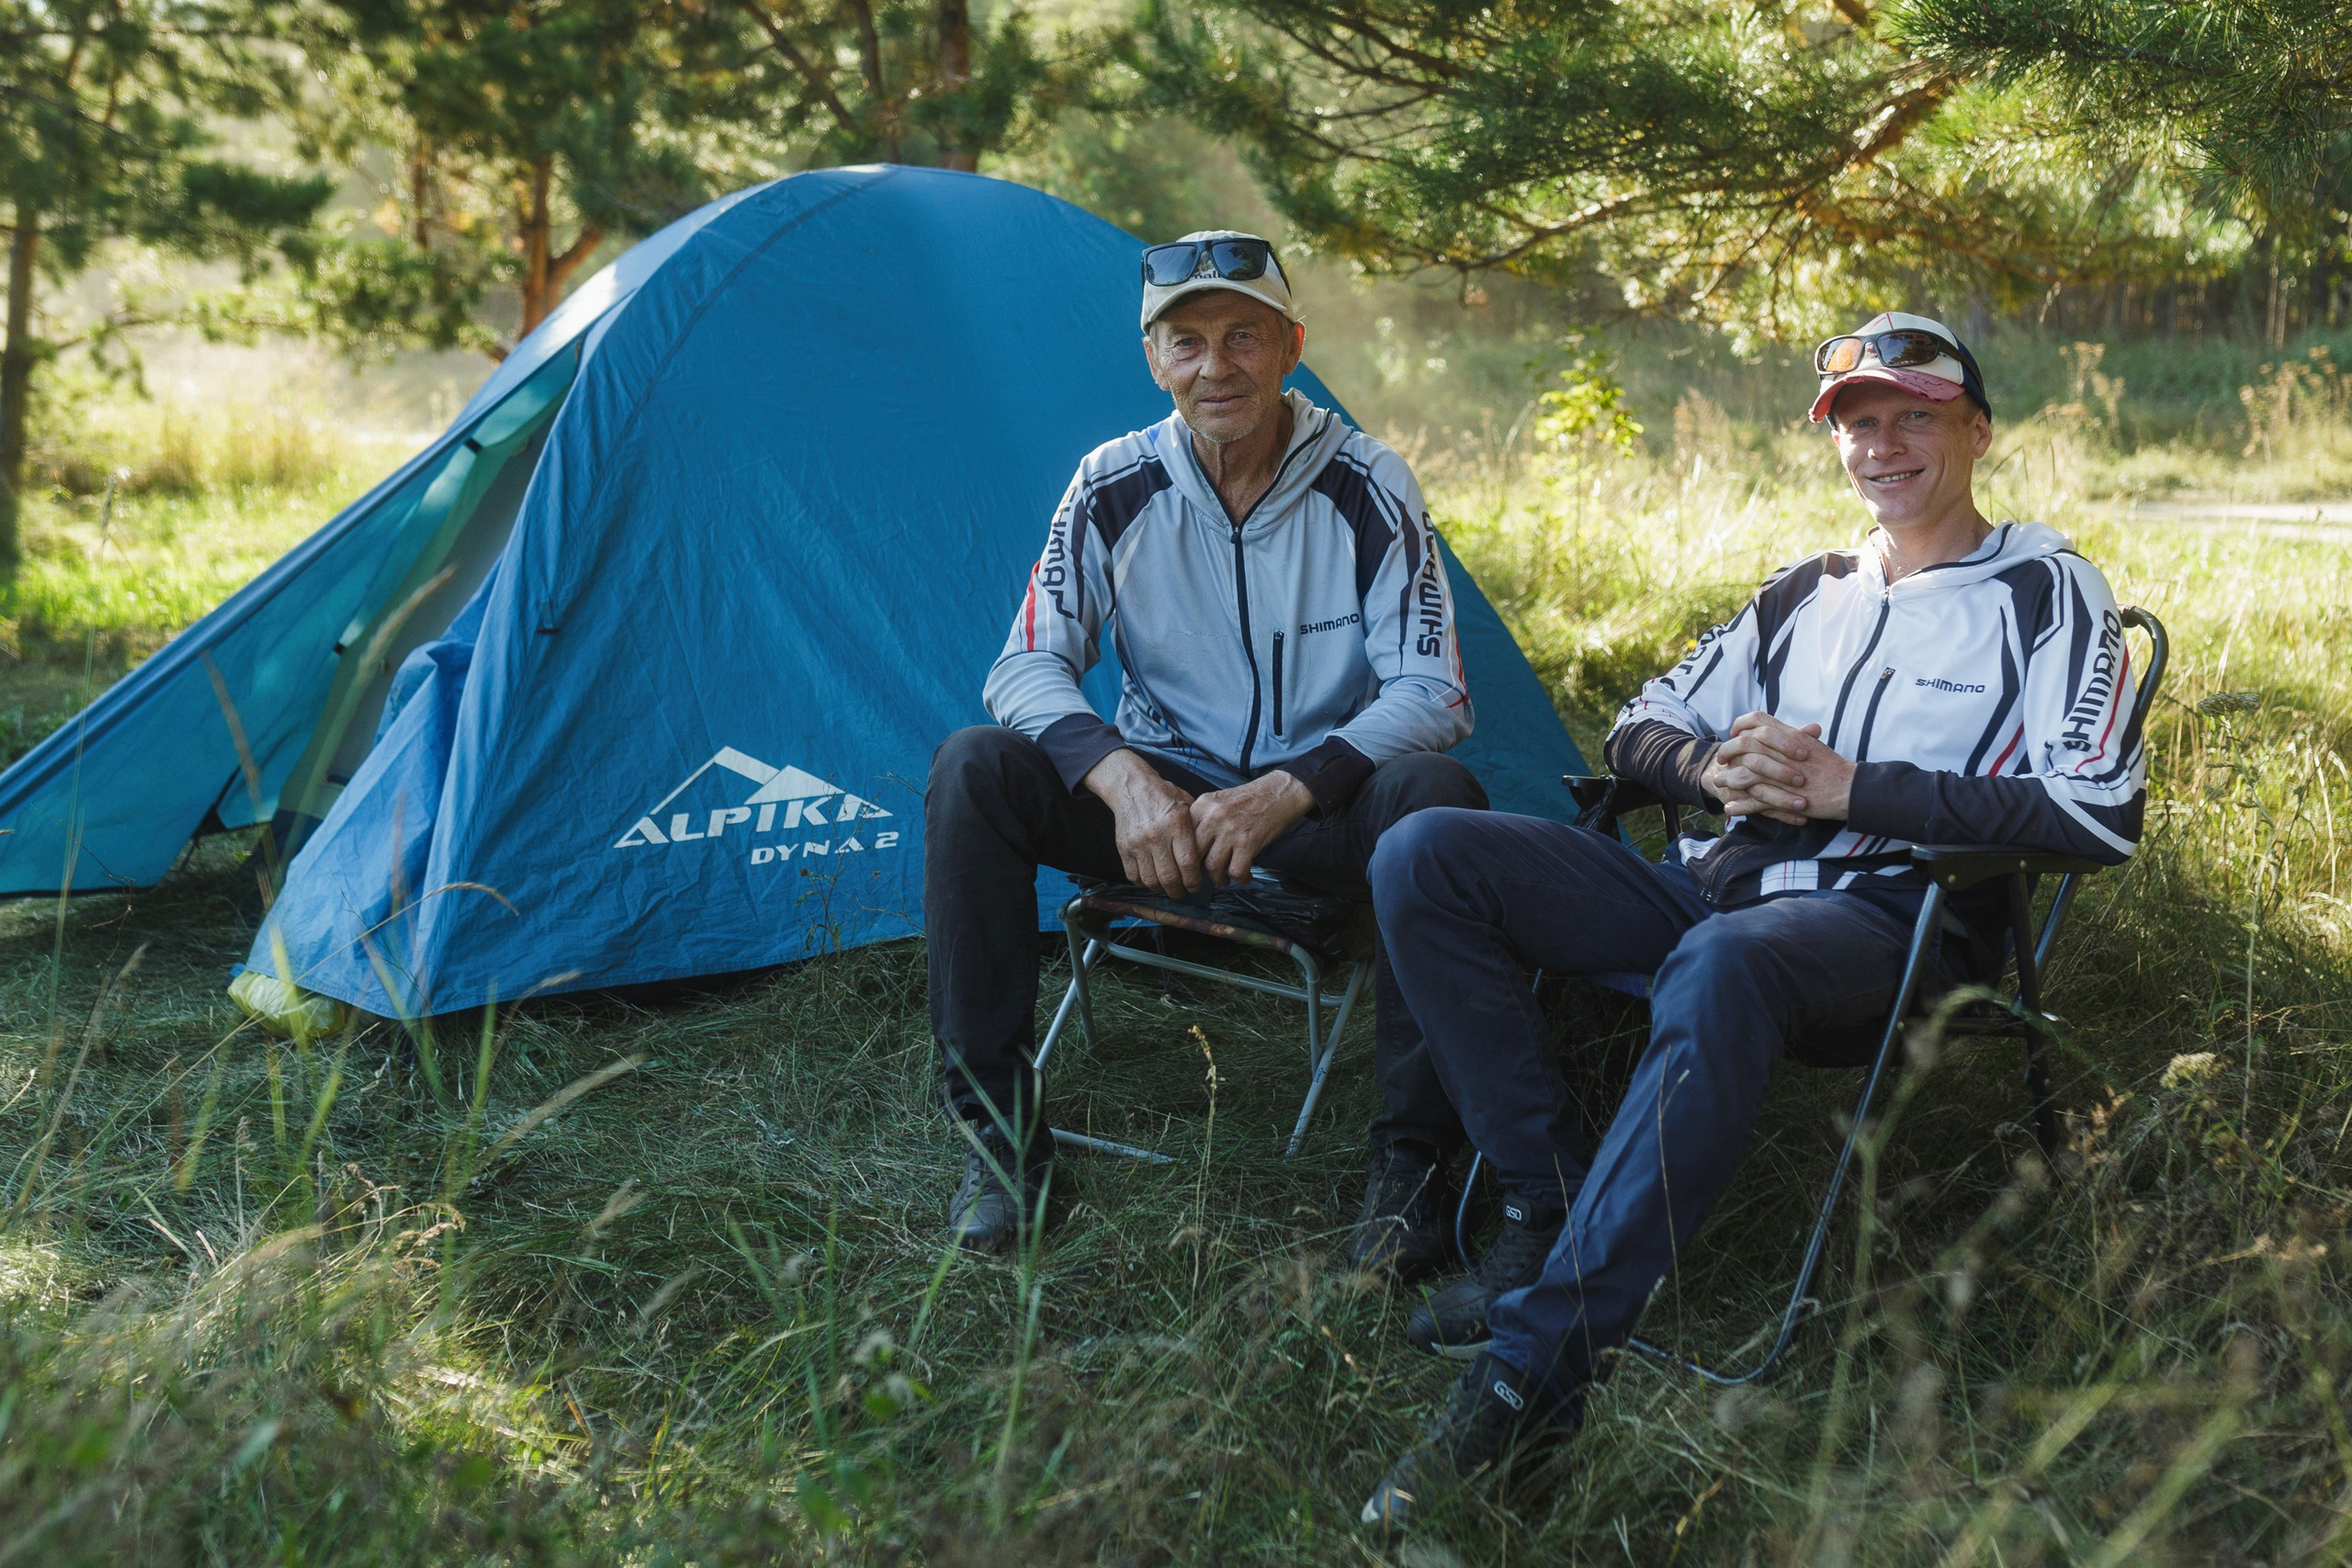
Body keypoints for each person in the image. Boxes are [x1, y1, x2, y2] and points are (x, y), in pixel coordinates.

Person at [1356, 312, 2149, 1528]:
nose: (1884, 445)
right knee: (1427, 849)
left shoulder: (2046, 588)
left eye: (1916, 417)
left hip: (1896, 920)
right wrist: (1710, 768)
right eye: (1859, 423)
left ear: (1977, 430)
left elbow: (2097, 814)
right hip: (1712, 888)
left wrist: (1854, 788)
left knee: (1726, 959)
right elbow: (1636, 725)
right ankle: (1547, 1198)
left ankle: (1528, 1383)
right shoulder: (1803, 592)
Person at [925, 231, 1488, 1255]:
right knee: (974, 767)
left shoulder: (1368, 481)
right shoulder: (1110, 482)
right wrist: (1122, 779)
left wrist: (1292, 788)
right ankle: (1000, 1140)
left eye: (1243, 337)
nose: (1215, 367)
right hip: (1166, 809)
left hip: (1314, 814)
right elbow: (1022, 664)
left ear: (1291, 346)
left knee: (1438, 796)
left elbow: (1433, 688)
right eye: (1185, 343)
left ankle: (1412, 1168)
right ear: (1153, 361)